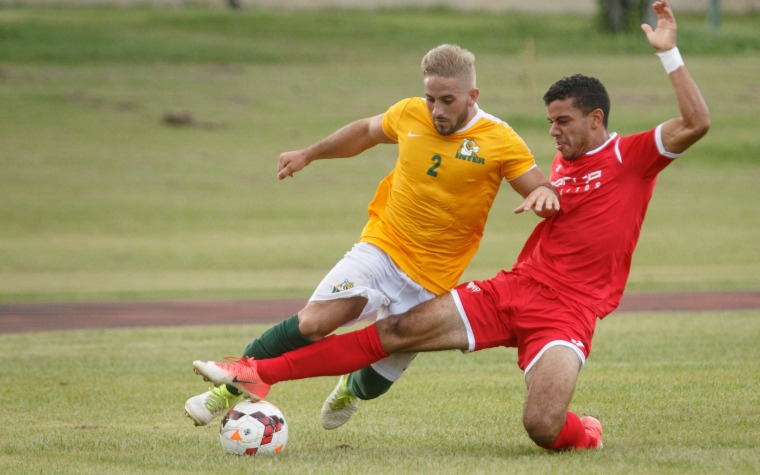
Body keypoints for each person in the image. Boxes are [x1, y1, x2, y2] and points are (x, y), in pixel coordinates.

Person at [191, 0, 709, 450]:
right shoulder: (555, 158)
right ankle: (251, 373)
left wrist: (669, 52)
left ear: (596, 119)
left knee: (541, 426)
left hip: (554, 308)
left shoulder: (626, 155)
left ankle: (585, 432)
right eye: (549, 122)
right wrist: (308, 153)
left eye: (562, 122)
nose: (552, 131)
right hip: (491, 280)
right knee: (361, 328)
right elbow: (370, 133)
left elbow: (694, 124)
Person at [184, 43, 560, 427]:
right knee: (314, 322)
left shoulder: (500, 139)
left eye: (448, 100)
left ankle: (351, 387)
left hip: (432, 279)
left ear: (472, 96)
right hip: (382, 247)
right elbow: (365, 132)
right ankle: (225, 390)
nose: (437, 110)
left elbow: (536, 185)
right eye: (431, 98)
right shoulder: (409, 112)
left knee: (375, 381)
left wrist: (544, 192)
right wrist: (310, 154)